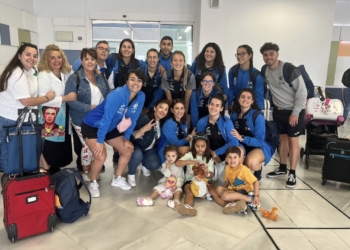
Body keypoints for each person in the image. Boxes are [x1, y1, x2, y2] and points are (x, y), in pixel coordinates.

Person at [81, 69, 145, 197]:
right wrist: (100, 141)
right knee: (100, 155)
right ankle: (93, 182)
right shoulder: (116, 95)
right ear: (127, 81)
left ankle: (117, 178)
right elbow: (106, 119)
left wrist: (126, 138)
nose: (135, 83)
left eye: (139, 80)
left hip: (111, 127)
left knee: (128, 150)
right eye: (132, 79)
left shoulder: (141, 96)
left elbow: (133, 119)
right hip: (92, 126)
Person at [260, 42, 307, 188]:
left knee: (294, 141)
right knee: (282, 140)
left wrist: (295, 113)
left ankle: (292, 173)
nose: (269, 57)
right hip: (278, 110)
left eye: (271, 54)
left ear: (277, 54)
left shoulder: (289, 69)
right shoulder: (265, 70)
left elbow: (302, 92)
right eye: (266, 55)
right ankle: (282, 167)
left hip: (294, 111)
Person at [65, 48, 110, 183]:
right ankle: (86, 172)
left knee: (93, 147)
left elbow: (107, 94)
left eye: (92, 59)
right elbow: (70, 101)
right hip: (81, 119)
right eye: (86, 59)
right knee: (88, 146)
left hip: (98, 119)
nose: (90, 62)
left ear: (96, 61)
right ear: (82, 60)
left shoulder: (100, 76)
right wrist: (90, 108)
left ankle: (92, 170)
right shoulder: (75, 78)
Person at [0, 43, 55, 136]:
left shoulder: (32, 70)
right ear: (19, 55)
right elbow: (26, 101)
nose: (32, 58)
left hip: (26, 118)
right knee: (14, 149)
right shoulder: (16, 74)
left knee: (27, 149)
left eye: (35, 56)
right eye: (28, 54)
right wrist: (47, 98)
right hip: (12, 120)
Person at [37, 44, 77, 172]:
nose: (56, 61)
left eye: (59, 57)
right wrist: (65, 98)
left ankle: (57, 170)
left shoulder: (65, 72)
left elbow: (77, 75)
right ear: (46, 60)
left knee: (62, 143)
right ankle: (49, 172)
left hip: (63, 115)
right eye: (52, 58)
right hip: (51, 115)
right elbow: (44, 99)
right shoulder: (43, 75)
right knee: (51, 145)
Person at [230, 88, 275, 182]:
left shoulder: (257, 116)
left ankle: (257, 171)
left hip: (259, 146)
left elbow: (259, 141)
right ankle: (237, 177)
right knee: (234, 155)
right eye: (243, 97)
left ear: (252, 101)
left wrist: (241, 138)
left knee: (251, 163)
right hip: (242, 145)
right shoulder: (234, 115)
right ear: (238, 99)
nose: (245, 99)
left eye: (248, 98)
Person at [196, 94, 243, 181]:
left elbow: (234, 142)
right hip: (208, 151)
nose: (214, 107)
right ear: (208, 105)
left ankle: (236, 180)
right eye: (212, 104)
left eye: (217, 105)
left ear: (221, 109)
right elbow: (200, 142)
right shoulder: (201, 122)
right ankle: (215, 165)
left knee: (239, 150)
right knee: (213, 178)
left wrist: (216, 153)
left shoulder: (227, 123)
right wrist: (211, 154)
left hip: (223, 152)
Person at [128, 99, 171, 186]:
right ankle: (131, 173)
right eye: (161, 107)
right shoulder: (145, 118)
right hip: (137, 146)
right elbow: (130, 135)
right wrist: (143, 129)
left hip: (149, 148)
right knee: (137, 154)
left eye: (166, 109)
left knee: (155, 164)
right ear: (155, 108)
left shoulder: (161, 122)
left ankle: (143, 163)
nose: (163, 111)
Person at [173, 133, 215, 216]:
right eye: (197, 146)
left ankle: (227, 205)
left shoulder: (209, 158)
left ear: (207, 146)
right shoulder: (190, 155)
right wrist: (189, 161)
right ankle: (187, 208)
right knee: (188, 191)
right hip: (190, 180)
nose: (200, 149)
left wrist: (206, 173)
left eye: (203, 146)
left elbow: (212, 174)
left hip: (205, 181)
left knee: (214, 191)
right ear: (193, 145)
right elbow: (177, 163)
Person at [215, 146, 260, 214]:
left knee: (224, 196)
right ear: (226, 159)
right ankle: (239, 203)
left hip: (245, 191)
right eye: (230, 157)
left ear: (240, 159)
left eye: (235, 157)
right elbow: (227, 182)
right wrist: (223, 191)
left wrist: (256, 196)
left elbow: (255, 181)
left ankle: (249, 199)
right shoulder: (227, 168)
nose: (232, 160)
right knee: (218, 189)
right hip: (235, 190)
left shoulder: (244, 169)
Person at [162, 51, 196, 125]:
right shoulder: (166, 76)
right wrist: (173, 114)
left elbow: (187, 100)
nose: (178, 63)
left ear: (184, 62)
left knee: (187, 124)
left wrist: (183, 115)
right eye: (175, 60)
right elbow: (169, 99)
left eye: (181, 60)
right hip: (173, 105)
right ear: (171, 62)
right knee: (171, 123)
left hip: (185, 105)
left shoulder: (190, 76)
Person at [157, 99, 195, 163]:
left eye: (182, 108)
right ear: (172, 110)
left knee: (193, 150)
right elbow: (175, 143)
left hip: (177, 147)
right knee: (187, 150)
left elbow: (185, 136)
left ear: (185, 110)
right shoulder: (169, 124)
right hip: (167, 149)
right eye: (177, 108)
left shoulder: (184, 121)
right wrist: (191, 136)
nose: (180, 111)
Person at [228, 45, 264, 111]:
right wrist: (230, 104)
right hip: (236, 107)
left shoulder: (256, 75)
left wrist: (256, 113)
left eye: (243, 54)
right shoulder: (233, 70)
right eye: (238, 54)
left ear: (250, 55)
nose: (239, 56)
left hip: (250, 108)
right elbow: (231, 89)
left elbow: (259, 97)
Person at [137, 49, 165, 113]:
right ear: (146, 59)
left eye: (154, 57)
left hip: (154, 105)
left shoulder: (162, 74)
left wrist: (148, 109)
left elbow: (159, 94)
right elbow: (135, 91)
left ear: (158, 59)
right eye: (150, 57)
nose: (152, 60)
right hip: (139, 104)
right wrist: (139, 107)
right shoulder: (140, 71)